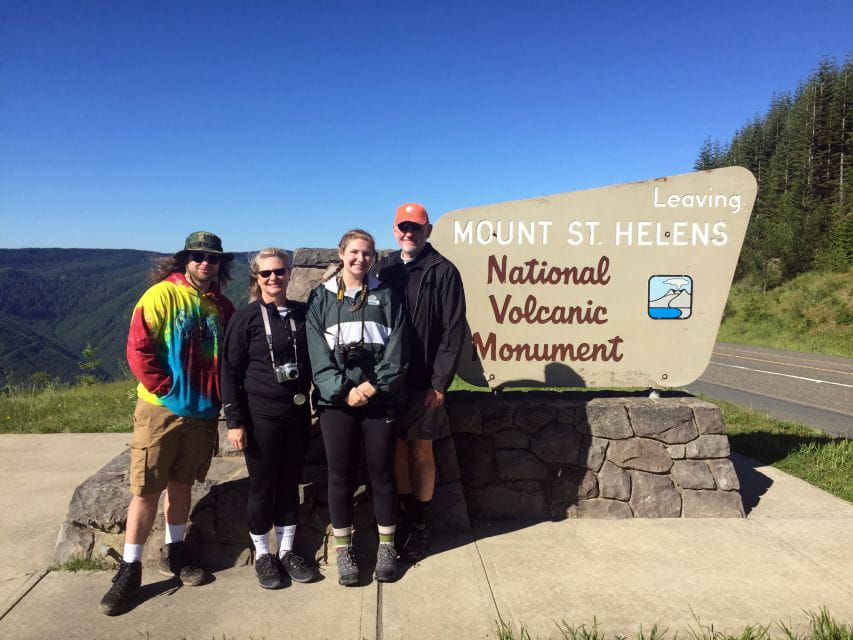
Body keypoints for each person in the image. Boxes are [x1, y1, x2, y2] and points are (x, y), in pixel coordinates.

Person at [100, 231, 235, 616]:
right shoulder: (162, 294)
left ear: (221, 265)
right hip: (161, 410)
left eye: (213, 258)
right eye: (197, 256)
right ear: (185, 260)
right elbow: (139, 347)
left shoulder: (221, 306)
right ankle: (130, 567)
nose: (205, 263)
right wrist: (165, 388)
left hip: (203, 412)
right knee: (145, 489)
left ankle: (175, 551)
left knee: (182, 483)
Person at [306, 229, 408, 585]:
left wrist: (372, 385)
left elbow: (397, 347)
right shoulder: (321, 297)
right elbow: (316, 353)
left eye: (367, 253)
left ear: (374, 257)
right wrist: (342, 391)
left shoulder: (387, 295)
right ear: (341, 253)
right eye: (354, 252)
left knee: (382, 474)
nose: (360, 259)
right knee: (340, 475)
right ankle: (343, 550)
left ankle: (386, 547)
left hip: (380, 399)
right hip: (337, 403)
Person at [373, 203, 466, 561]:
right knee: (396, 449)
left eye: (416, 228)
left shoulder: (443, 271)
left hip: (425, 381)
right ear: (394, 231)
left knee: (421, 450)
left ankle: (420, 524)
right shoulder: (384, 269)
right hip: (389, 381)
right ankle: (399, 519)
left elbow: (453, 332)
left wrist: (440, 383)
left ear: (427, 231)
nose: (409, 233)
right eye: (403, 227)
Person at [220, 248, 315, 589]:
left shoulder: (304, 314)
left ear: (289, 274)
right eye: (266, 274)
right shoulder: (244, 319)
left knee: (290, 483)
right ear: (256, 278)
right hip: (260, 416)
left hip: (297, 413)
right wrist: (234, 421)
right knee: (262, 487)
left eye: (280, 272)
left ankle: (287, 551)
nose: (273, 278)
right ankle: (263, 555)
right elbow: (229, 372)